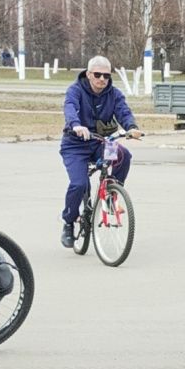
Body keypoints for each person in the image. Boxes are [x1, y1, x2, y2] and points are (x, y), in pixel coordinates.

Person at [59, 56, 143, 248]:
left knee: (123, 155)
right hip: (75, 144)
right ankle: (69, 222)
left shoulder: (114, 94)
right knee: (79, 184)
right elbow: (70, 108)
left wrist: (131, 127)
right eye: (98, 75)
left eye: (106, 75)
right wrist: (76, 125)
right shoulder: (75, 90)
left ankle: (111, 193)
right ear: (89, 74)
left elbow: (123, 111)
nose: (102, 79)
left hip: (101, 142)